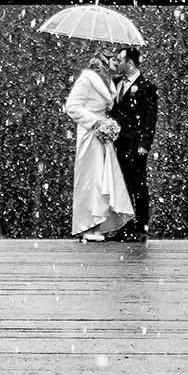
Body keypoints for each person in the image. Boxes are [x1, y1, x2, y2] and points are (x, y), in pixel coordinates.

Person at [62, 52, 136, 241]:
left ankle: (97, 225)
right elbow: (72, 107)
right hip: (90, 134)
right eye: (114, 60)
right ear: (105, 61)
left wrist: (107, 125)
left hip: (102, 136)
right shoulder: (86, 80)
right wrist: (95, 122)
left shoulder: (108, 82)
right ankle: (87, 225)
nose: (117, 64)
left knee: (103, 179)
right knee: (90, 180)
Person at [107, 45, 158, 241]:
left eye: (119, 61)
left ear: (130, 63)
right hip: (117, 143)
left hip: (135, 145)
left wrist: (144, 144)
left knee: (138, 186)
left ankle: (140, 228)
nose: (117, 64)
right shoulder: (117, 82)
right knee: (121, 186)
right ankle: (123, 228)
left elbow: (150, 118)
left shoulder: (146, 87)